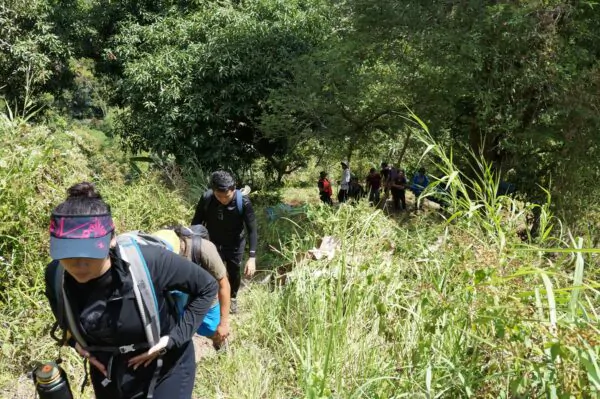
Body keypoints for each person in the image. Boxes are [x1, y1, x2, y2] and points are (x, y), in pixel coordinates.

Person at [45, 182, 218, 399]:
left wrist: (173, 339)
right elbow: (62, 314)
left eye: (89, 255)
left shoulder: (150, 261)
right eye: (68, 255)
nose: (78, 265)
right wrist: (76, 343)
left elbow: (207, 286)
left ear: (111, 238)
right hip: (108, 370)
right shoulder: (56, 275)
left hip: (166, 366)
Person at [152, 226, 230, 349]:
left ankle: (220, 345)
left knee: (213, 331)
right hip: (179, 299)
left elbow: (223, 284)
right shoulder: (157, 256)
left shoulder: (204, 249)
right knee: (180, 331)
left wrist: (224, 323)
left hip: (207, 299)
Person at [191, 170, 257, 314]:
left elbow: (252, 230)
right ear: (213, 191)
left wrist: (252, 257)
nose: (223, 200)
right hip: (212, 242)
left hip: (235, 243)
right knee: (213, 272)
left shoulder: (243, 202)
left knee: (234, 272)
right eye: (218, 196)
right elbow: (196, 223)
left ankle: (232, 298)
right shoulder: (207, 198)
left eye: (226, 196)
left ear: (233, 189)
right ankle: (214, 300)